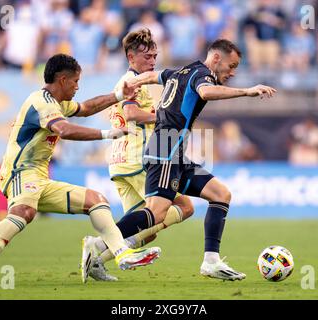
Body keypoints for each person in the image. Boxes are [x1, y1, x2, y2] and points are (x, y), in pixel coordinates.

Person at [0, 54, 161, 287]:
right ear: (62, 80)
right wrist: (106, 134)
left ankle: (121, 253)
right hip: (19, 173)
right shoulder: (41, 102)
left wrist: (117, 96)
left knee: (96, 200)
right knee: (23, 212)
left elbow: (86, 108)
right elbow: (63, 130)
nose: (77, 86)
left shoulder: (57, 102)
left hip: (39, 177)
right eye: (75, 81)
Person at [91, 39, 276, 281]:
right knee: (156, 214)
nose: (232, 73)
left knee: (221, 194)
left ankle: (211, 261)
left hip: (174, 153)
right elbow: (206, 92)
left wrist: (133, 80)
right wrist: (247, 91)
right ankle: (99, 243)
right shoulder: (203, 76)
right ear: (217, 59)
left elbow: (155, 76)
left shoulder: (181, 71)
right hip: (164, 150)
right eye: (232, 66)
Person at [82, 29, 194, 282]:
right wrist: (164, 117)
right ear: (131, 57)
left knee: (147, 230)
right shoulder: (130, 82)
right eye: (146, 57)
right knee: (185, 207)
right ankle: (97, 246)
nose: (152, 62)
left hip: (120, 162)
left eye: (155, 56)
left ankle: (96, 260)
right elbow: (131, 114)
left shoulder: (137, 80)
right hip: (138, 159)